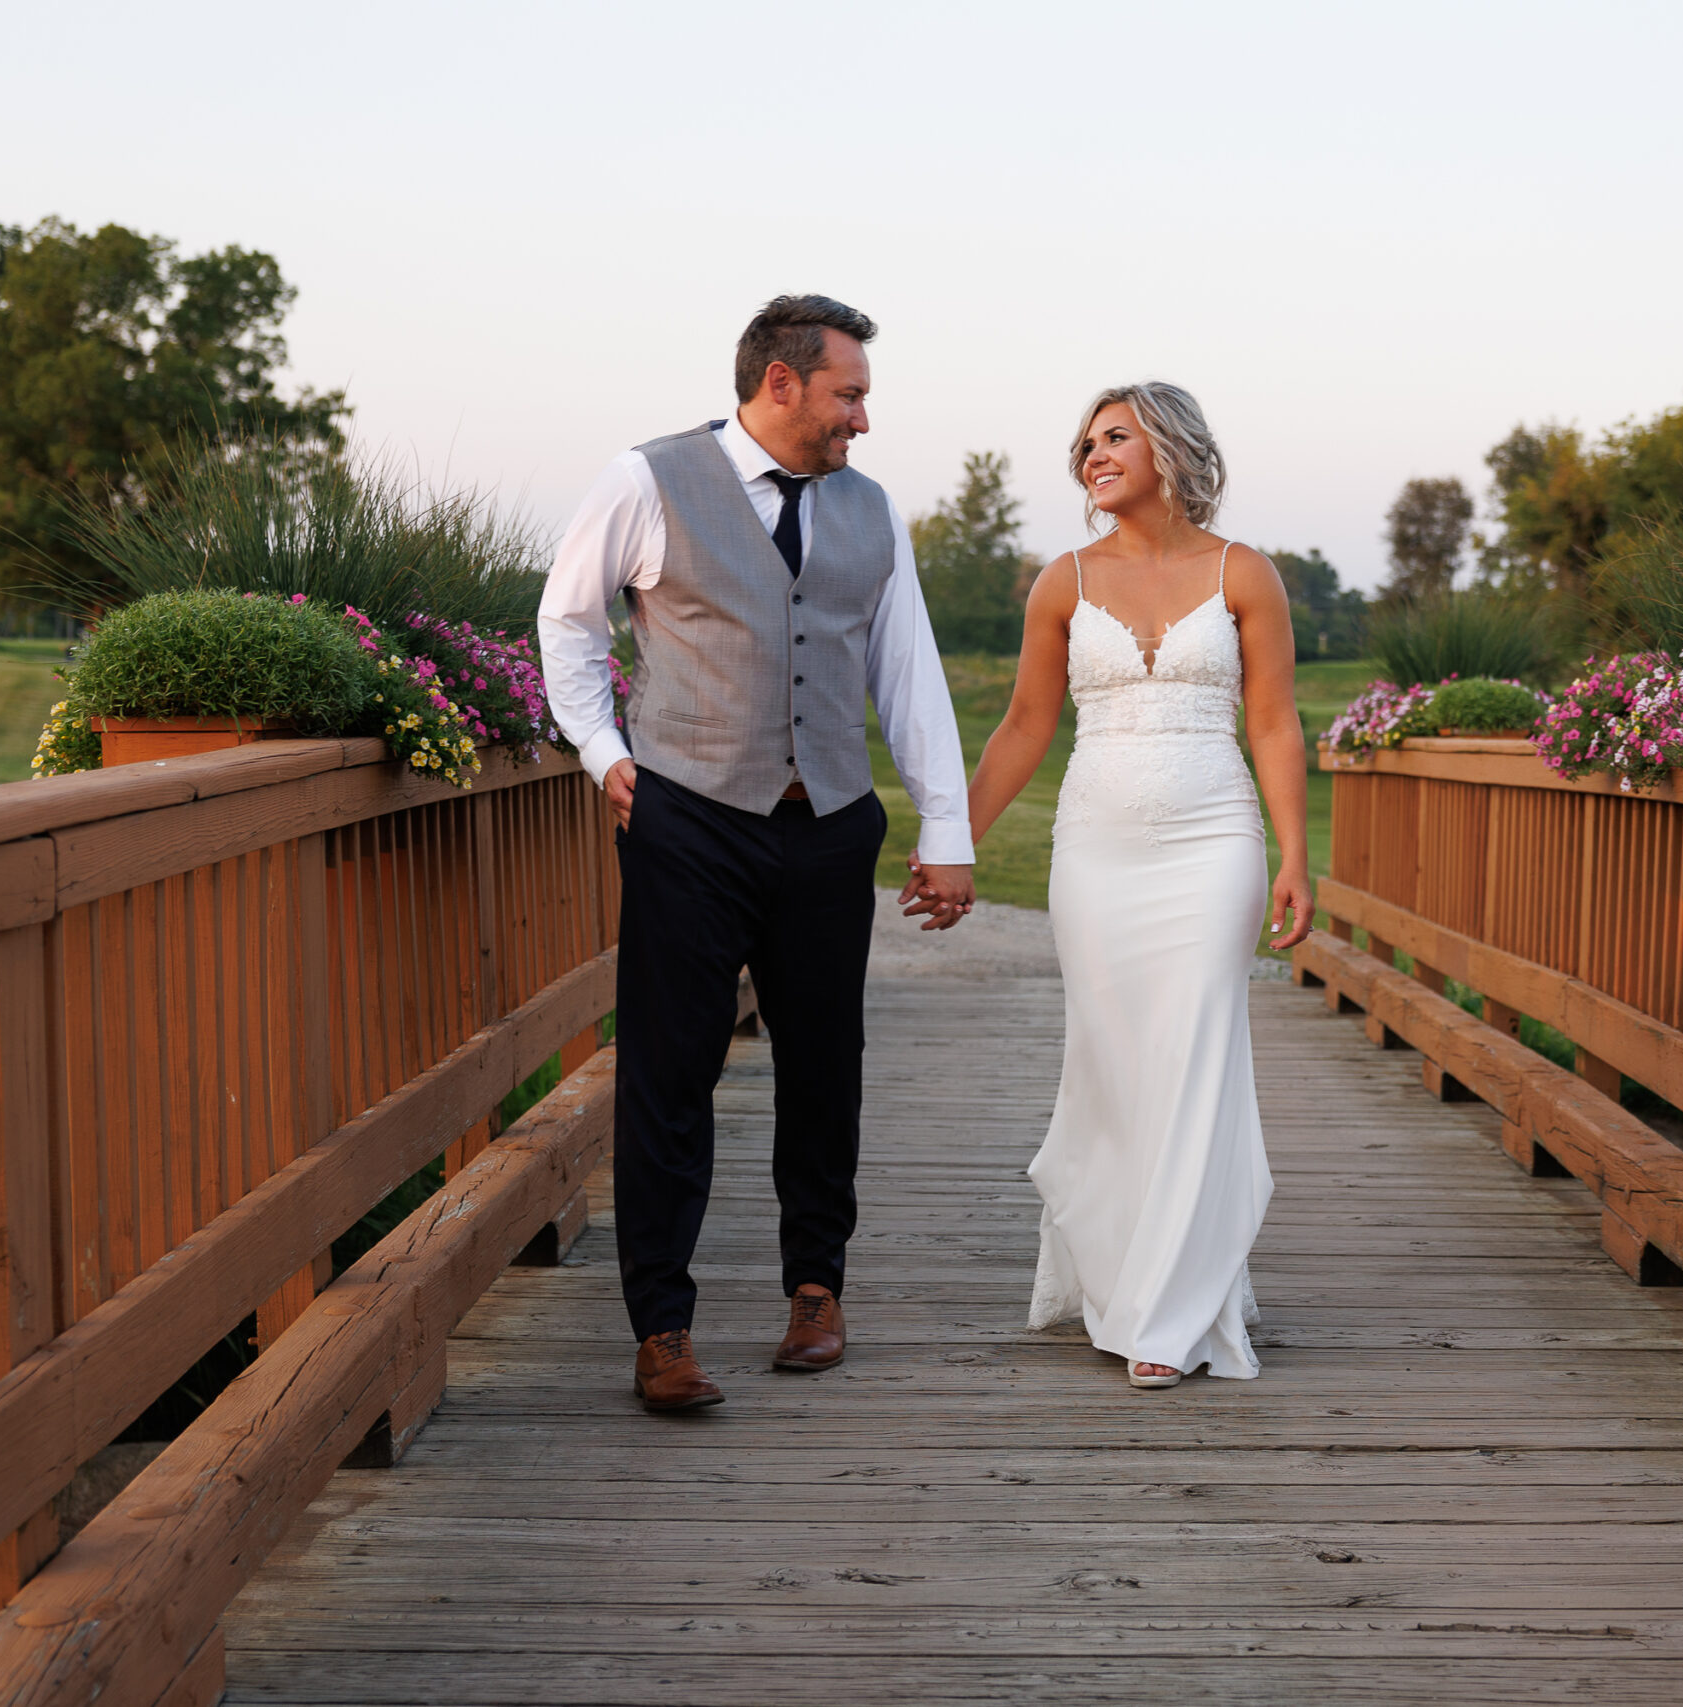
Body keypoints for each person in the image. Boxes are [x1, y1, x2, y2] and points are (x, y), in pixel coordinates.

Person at [537, 295, 976, 1413]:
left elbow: (906, 672)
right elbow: (568, 622)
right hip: (688, 818)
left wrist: (947, 828)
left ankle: (815, 1291)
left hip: (828, 825)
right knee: (671, 1072)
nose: (862, 421)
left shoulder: (871, 511)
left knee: (825, 1067)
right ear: (779, 383)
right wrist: (598, 747)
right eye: (850, 395)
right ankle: (662, 1328)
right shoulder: (649, 480)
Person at [944, 381, 1313, 1388]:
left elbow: (1274, 723)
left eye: (1114, 437)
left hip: (1213, 838)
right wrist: (954, 840)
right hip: (1095, 847)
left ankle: (1168, 1311)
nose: (1091, 455)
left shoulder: (1246, 575)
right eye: (1084, 443)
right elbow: (1026, 726)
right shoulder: (1060, 581)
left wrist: (1292, 854)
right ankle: (1119, 1274)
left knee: (1194, 1053)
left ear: (1170, 449)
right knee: (1112, 1064)